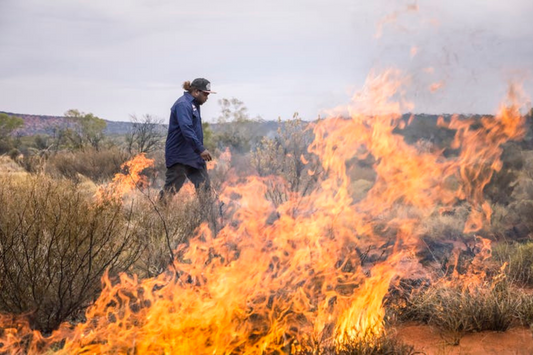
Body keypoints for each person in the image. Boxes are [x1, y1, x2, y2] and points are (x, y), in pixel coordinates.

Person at [159, 78, 216, 202]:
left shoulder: (194, 105)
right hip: (180, 157)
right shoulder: (183, 104)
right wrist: (200, 149)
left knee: (205, 190)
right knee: (170, 191)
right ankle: (157, 215)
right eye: (205, 94)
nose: (207, 97)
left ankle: (208, 220)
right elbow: (186, 129)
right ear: (196, 92)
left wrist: (198, 151)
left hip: (194, 157)